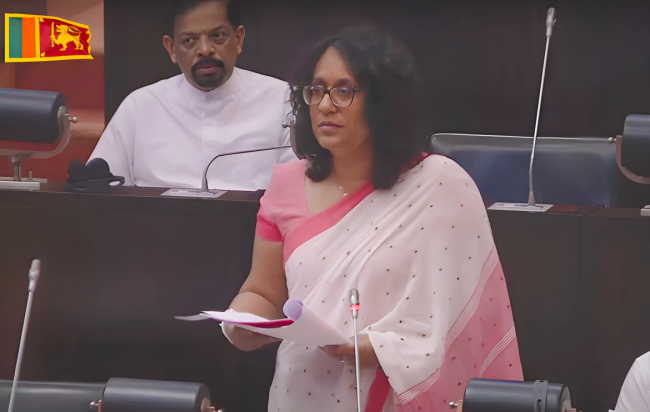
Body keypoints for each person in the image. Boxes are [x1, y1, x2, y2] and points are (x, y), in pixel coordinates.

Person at [222, 29, 523, 411]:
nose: (325, 105)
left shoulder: (440, 185)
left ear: (382, 102)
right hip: (301, 392)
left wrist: (379, 349)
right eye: (316, 90)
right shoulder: (285, 184)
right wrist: (242, 321)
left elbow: (461, 325)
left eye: (343, 91)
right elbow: (263, 292)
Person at [89, 0, 294, 191]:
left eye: (217, 36)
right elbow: (102, 192)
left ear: (238, 39)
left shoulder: (281, 98)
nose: (205, 50)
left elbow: (299, 193)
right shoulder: (139, 106)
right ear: (171, 49)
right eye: (189, 40)